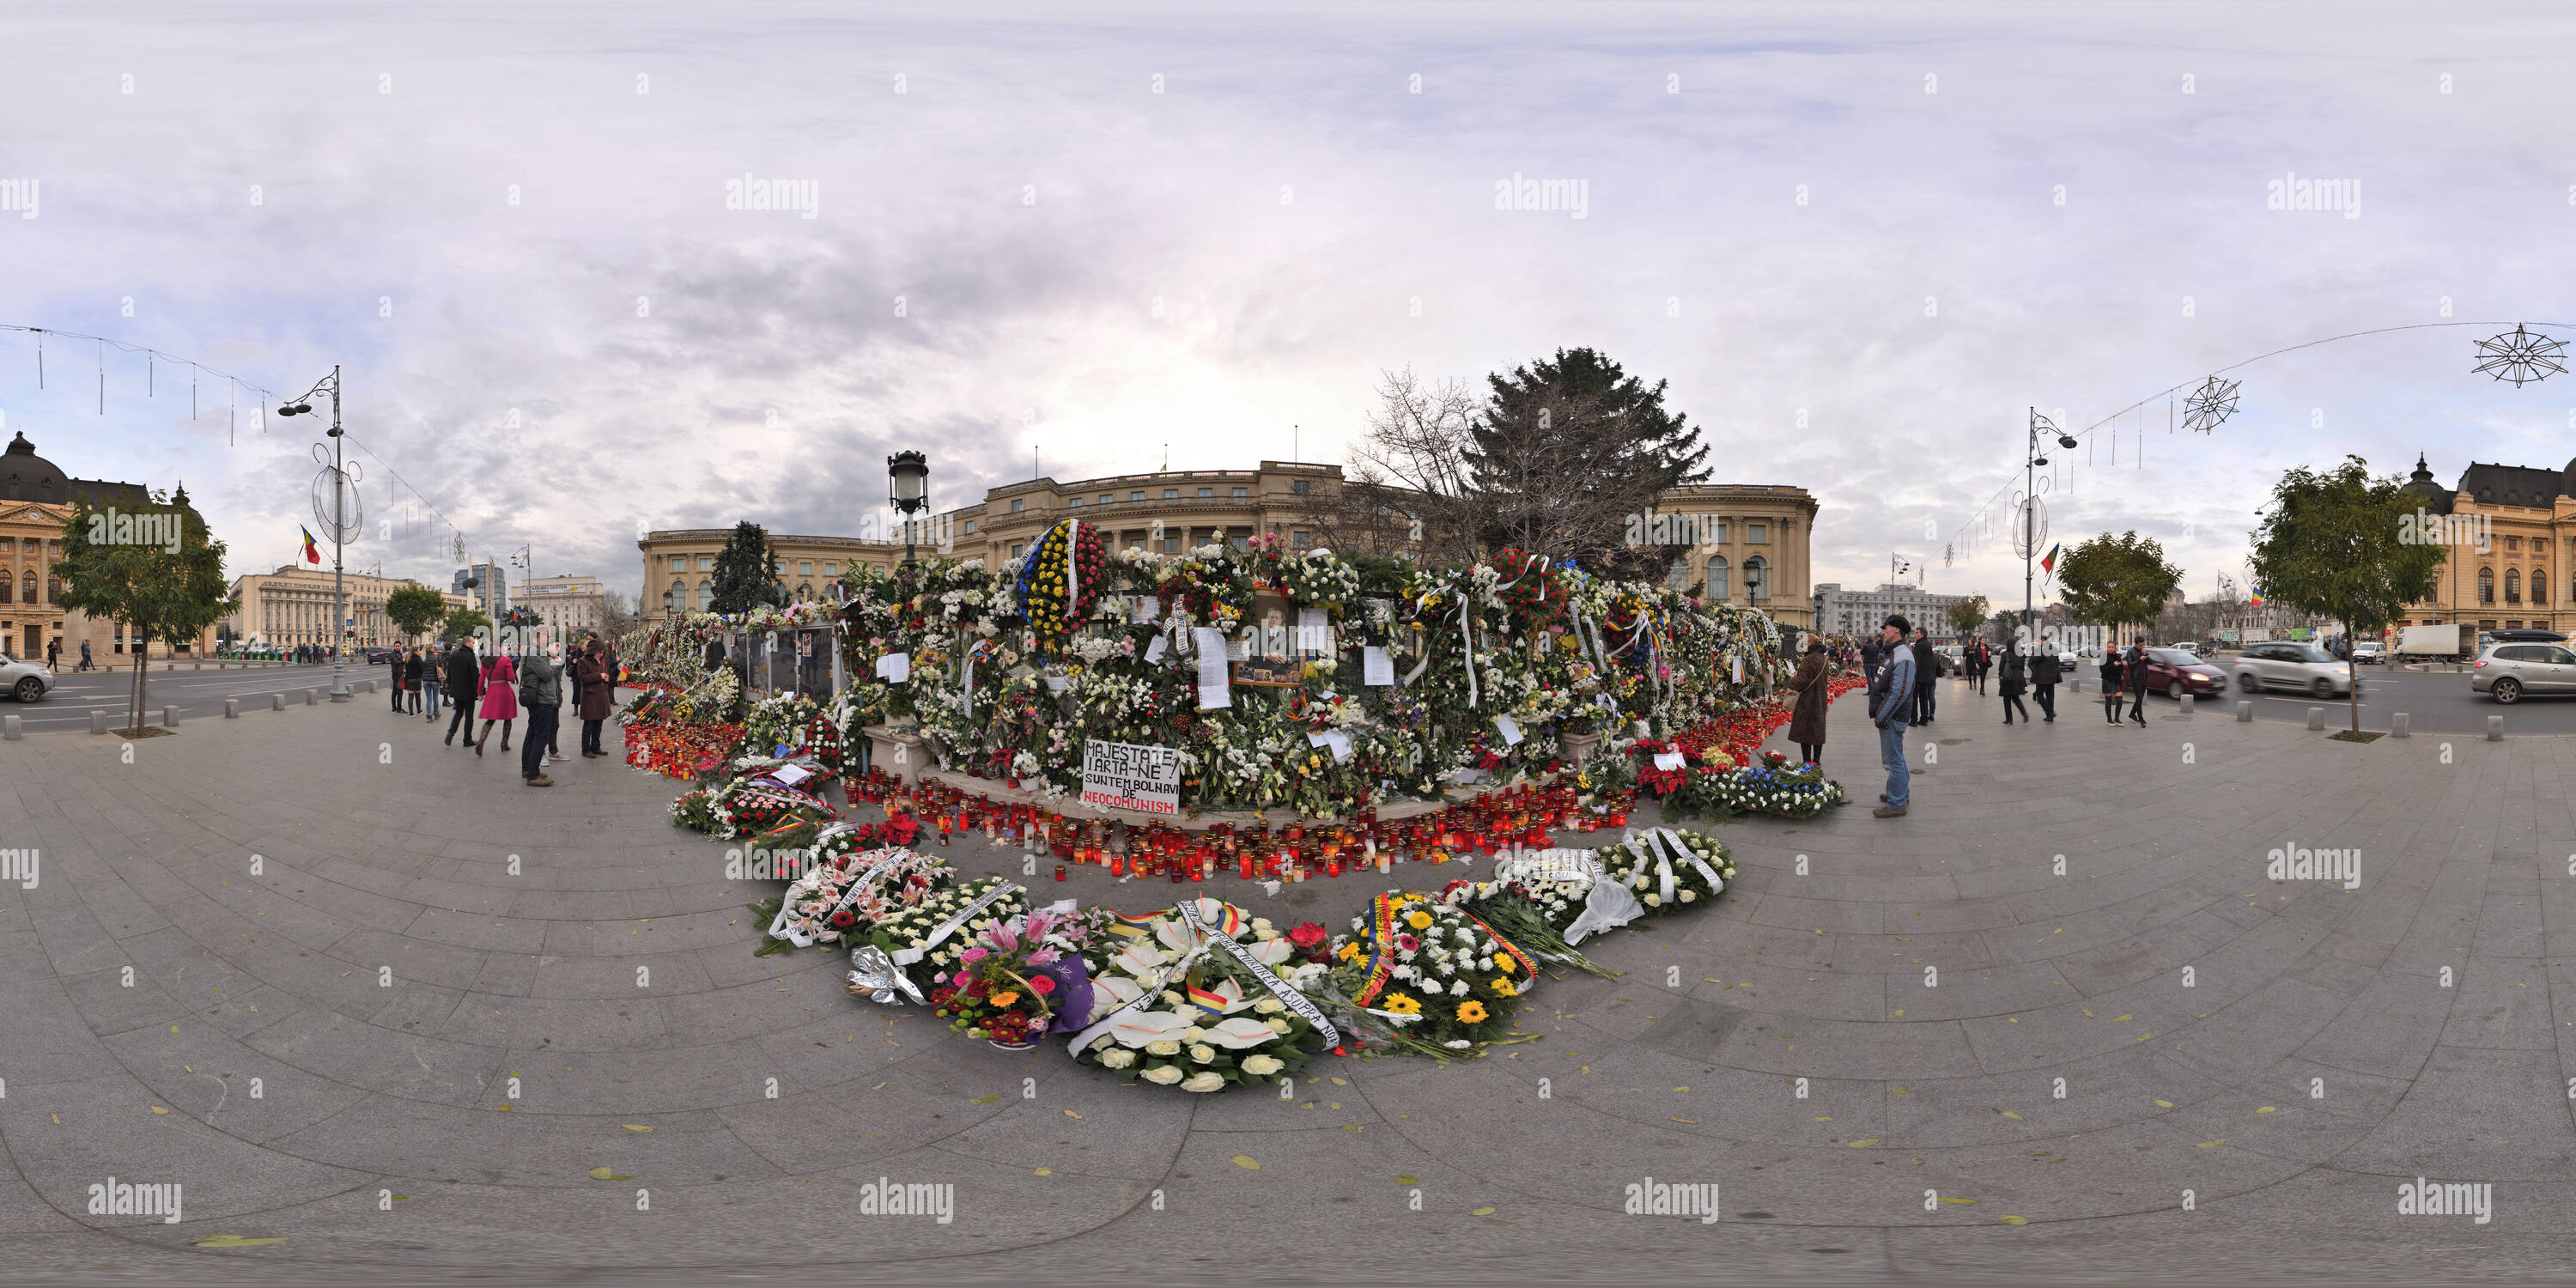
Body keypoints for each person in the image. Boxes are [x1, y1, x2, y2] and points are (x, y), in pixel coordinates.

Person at [1868, 615, 1916, 818]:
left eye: (1885, 628)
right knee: (1897, 758)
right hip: (1890, 716)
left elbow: (1899, 692)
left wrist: (1882, 716)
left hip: (1892, 717)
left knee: (1893, 761)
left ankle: (1897, 804)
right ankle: (1898, 793)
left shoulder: (1903, 655)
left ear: (1896, 630)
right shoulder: (1893, 652)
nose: (1883, 631)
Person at [519, 647, 562, 787]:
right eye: (547, 636)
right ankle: (532, 775)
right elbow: (546, 674)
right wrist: (555, 663)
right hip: (541, 699)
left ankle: (528, 769)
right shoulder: (534, 652)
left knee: (532, 734)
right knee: (541, 737)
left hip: (538, 697)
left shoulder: (535, 652)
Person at [1785, 637, 1832, 765]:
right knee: (1818, 729)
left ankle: (1807, 760)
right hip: (1820, 698)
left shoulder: (1809, 659)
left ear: (1810, 644)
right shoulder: (1823, 658)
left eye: (1803, 644)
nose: (1802, 646)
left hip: (1808, 700)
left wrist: (1793, 679)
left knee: (1805, 729)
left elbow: (1802, 681)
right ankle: (1816, 760)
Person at [476, 648, 519, 757]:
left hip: (491, 691)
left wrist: (480, 693)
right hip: (504, 691)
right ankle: (504, 743)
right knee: (508, 718)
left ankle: (481, 741)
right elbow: (511, 678)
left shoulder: (484, 661)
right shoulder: (505, 660)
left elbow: (481, 680)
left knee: (490, 720)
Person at [575, 640, 613, 757]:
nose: (602, 654)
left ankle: (596, 747)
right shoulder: (583, 661)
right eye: (600, 652)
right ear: (593, 651)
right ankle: (586, 749)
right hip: (590, 697)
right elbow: (583, 678)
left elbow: (601, 675)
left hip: (600, 696)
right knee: (589, 724)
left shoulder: (600, 661)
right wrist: (599, 676)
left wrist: (605, 678)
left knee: (598, 724)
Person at [443, 639, 483, 747]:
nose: (474, 645)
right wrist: (480, 691)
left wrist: (449, 685)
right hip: (468, 691)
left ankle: (450, 733)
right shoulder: (470, 656)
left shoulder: (454, 655)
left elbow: (449, 672)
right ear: (467, 643)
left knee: (458, 713)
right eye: (472, 643)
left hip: (456, 690)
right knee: (469, 717)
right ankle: (467, 740)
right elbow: (475, 676)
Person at [1910, 628, 1939, 726]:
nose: (1915, 634)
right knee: (1924, 698)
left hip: (1918, 676)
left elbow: (1916, 662)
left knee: (1914, 698)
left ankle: (1913, 720)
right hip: (1926, 676)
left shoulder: (1919, 645)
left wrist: (1913, 675)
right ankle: (1924, 719)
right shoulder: (1928, 644)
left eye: (1917, 633)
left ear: (1922, 634)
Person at [2031, 637, 2062, 722]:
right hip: (2052, 676)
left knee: (2039, 696)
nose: (2037, 643)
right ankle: (2050, 717)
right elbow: (2057, 662)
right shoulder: (2054, 649)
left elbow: (2034, 659)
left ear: (2043, 641)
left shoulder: (2041, 649)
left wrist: (2036, 650)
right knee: (2050, 697)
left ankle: (2050, 713)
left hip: (2042, 677)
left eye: (2038, 641)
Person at [1998, 641, 2029, 724]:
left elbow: (2001, 667)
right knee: (2016, 698)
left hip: (2008, 677)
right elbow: (2023, 666)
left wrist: (2000, 676)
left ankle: (2009, 719)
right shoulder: (2021, 653)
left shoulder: (2005, 654)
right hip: (2018, 677)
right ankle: (2024, 713)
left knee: (2007, 699)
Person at [2124, 638, 2150, 726]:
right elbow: (2130, 664)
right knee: (2139, 698)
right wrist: (2140, 659)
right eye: (2140, 645)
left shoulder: (2143, 651)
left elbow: (2150, 662)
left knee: (2140, 699)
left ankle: (2132, 714)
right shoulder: (2130, 652)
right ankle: (2141, 719)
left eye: (2143, 645)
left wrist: (2146, 655)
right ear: (2135, 644)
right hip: (2136, 678)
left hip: (2144, 677)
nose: (2141, 647)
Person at [2101, 646, 2127, 724]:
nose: (2111, 648)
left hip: (2116, 680)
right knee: (2108, 700)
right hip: (2107, 680)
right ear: (2107, 648)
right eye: (2109, 647)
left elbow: (2121, 668)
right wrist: (2113, 665)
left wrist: (2116, 667)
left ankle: (2117, 718)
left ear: (2115, 648)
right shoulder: (2103, 657)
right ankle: (2109, 719)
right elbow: (2103, 670)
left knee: (2119, 700)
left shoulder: (2117, 656)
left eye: (2112, 647)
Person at [422, 641, 444, 721]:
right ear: (431, 648)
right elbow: (440, 666)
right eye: (433, 647)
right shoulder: (436, 657)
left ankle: (429, 716)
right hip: (435, 680)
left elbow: (421, 669)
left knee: (428, 698)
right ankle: (436, 713)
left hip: (425, 680)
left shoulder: (423, 658)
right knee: (435, 698)